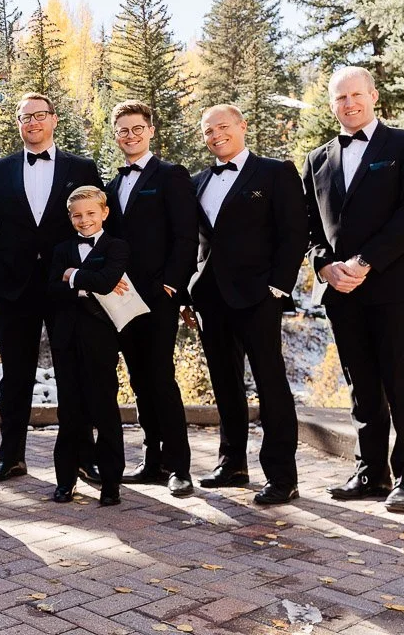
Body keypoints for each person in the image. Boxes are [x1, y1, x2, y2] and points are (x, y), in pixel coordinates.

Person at [303, 66, 404, 513]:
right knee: (362, 386)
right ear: (331, 105)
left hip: (397, 285)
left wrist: (365, 262)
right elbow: (309, 228)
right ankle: (371, 472)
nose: (349, 104)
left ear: (373, 96)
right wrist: (325, 267)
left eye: (356, 95)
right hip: (343, 290)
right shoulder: (317, 159)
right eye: (339, 99)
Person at [0, 92, 103, 487]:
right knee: (15, 375)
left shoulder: (82, 167)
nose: (32, 122)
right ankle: (10, 457)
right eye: (24, 117)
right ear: (18, 124)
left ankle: (83, 457)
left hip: (65, 285)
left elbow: (98, 227)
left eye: (40, 115)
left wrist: (87, 275)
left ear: (54, 119)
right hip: (12, 288)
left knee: (73, 371)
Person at [187, 104, 307, 506]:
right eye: (208, 130)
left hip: (258, 296)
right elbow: (195, 243)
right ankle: (232, 463)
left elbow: (294, 233)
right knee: (225, 382)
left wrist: (278, 287)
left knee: (270, 384)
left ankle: (281, 475)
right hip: (209, 298)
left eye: (223, 126)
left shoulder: (275, 172)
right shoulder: (198, 180)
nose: (216, 134)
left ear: (242, 127)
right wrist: (189, 292)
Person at [104, 101, 196, 497]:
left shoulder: (172, 175)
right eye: (123, 130)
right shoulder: (111, 185)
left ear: (151, 130)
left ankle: (180, 467)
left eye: (137, 128)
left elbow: (185, 234)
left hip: (159, 296)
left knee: (160, 377)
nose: (130, 136)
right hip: (121, 298)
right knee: (139, 380)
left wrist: (173, 285)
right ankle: (152, 460)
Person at [46, 186, 130, 507]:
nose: (85, 220)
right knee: (69, 411)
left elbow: (108, 281)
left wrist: (73, 276)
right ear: (70, 218)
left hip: (101, 338)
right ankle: (65, 481)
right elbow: (51, 290)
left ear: (104, 213)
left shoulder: (117, 247)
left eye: (91, 214)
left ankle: (111, 483)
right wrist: (83, 283)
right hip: (66, 338)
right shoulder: (61, 250)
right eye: (77, 216)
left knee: (104, 408)